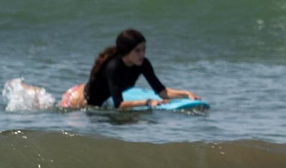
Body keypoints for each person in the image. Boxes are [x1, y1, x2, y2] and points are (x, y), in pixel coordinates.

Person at [56, 28, 196, 110]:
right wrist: (147, 102)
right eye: (137, 50)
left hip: (99, 104)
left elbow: (161, 92)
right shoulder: (113, 68)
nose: (142, 54)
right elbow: (119, 105)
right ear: (126, 52)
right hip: (78, 101)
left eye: (144, 49)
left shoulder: (143, 64)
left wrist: (186, 94)